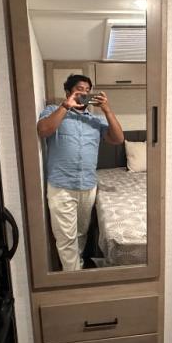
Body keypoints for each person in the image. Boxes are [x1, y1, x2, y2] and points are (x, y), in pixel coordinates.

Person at [37, 74, 124, 271]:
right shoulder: (53, 111)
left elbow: (118, 139)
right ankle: (73, 280)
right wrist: (66, 106)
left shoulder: (96, 120)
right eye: (79, 89)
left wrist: (107, 109)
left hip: (88, 186)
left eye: (87, 90)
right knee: (66, 238)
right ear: (68, 92)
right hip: (61, 186)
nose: (84, 93)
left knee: (80, 234)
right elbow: (43, 130)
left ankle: (77, 268)